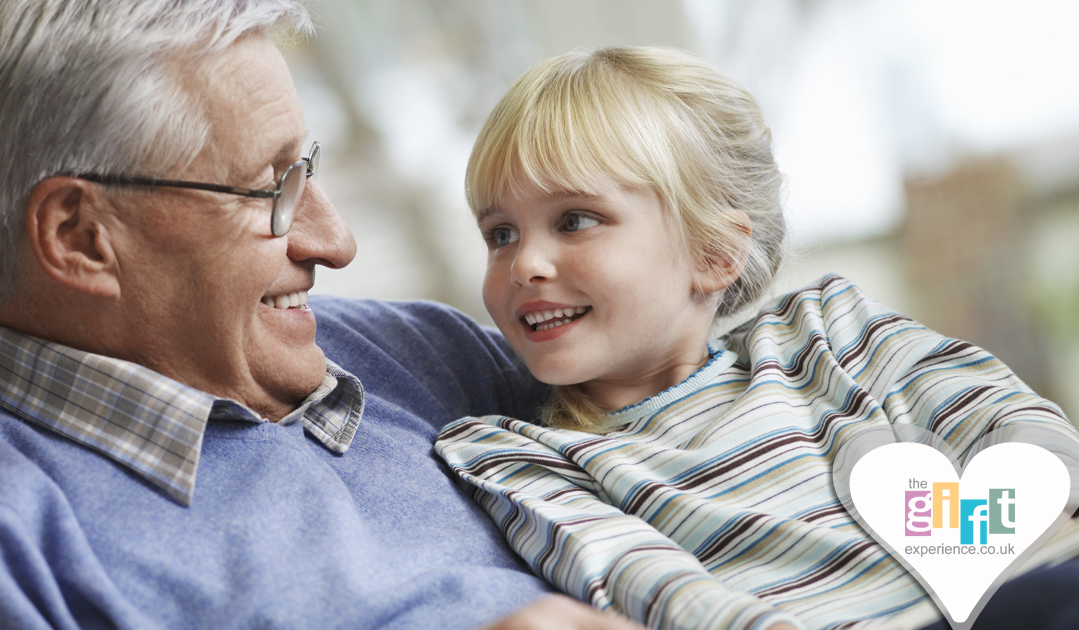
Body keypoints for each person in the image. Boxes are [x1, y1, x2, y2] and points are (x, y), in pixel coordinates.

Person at [0, 1, 646, 628]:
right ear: (81, 238)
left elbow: (708, 430)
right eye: (270, 187)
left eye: (304, 170)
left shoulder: (416, 354)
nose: (334, 241)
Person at [433, 46, 1079, 630]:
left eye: (574, 220)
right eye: (500, 234)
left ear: (714, 254)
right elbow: (670, 600)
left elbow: (1023, 433)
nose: (524, 264)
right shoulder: (521, 461)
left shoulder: (831, 331)